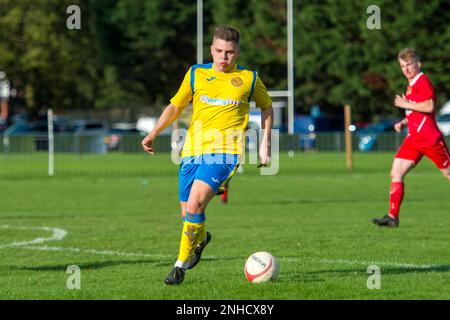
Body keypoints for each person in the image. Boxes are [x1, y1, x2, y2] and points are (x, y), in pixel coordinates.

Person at [141, 25, 273, 284]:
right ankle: (201, 239)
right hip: (191, 152)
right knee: (187, 217)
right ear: (212, 50)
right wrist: (153, 133)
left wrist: (264, 143)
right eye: (220, 51)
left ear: (238, 53)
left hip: (225, 152)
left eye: (231, 53)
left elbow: (267, 108)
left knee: (194, 205)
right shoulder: (195, 74)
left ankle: (179, 267)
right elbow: (175, 106)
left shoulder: (249, 79)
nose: (224, 58)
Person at [372, 48, 450, 228]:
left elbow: (429, 106)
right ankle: (392, 216)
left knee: (448, 173)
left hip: (430, 139)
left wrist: (404, 103)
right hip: (414, 139)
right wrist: (404, 121)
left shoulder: (422, 81)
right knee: (396, 172)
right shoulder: (411, 84)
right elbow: (417, 109)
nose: (406, 69)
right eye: (402, 66)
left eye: (409, 65)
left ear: (418, 64)